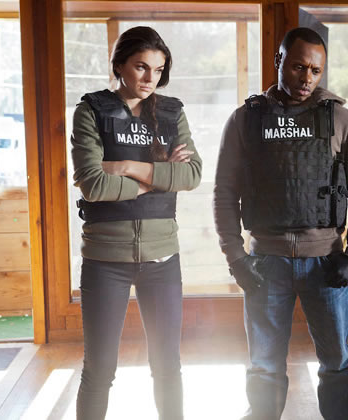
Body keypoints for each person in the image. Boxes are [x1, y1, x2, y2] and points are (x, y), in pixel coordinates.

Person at [213, 27, 348, 420]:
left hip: (327, 263)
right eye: (298, 67)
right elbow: (223, 193)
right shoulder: (246, 120)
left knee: (337, 361)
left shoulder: (341, 119)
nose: (307, 78)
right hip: (266, 263)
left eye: (316, 71)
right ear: (279, 62)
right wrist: (235, 258)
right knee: (264, 364)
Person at [71, 26, 202, 419]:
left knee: (167, 367)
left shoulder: (172, 113)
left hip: (163, 260)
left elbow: (191, 174)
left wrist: (127, 166)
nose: (150, 78)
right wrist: (158, 177)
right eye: (141, 67)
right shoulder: (91, 111)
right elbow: (94, 184)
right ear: (119, 66)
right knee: (99, 370)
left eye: (158, 70)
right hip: (104, 260)